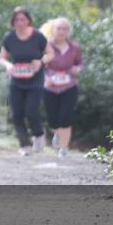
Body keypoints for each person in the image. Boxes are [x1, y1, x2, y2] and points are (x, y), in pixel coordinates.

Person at [0, 7, 52, 156]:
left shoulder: (38, 37)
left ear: (28, 20)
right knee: (16, 114)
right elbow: (1, 58)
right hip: (16, 81)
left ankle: (39, 135)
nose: (20, 22)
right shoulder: (9, 38)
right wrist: (8, 65)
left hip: (35, 81)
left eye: (23, 19)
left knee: (31, 111)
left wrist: (40, 62)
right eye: (16, 20)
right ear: (13, 22)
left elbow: (50, 54)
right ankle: (25, 145)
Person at [39, 17, 84, 158]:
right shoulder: (46, 46)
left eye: (65, 28)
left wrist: (78, 69)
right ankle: (57, 134)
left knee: (66, 117)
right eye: (59, 28)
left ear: (68, 31)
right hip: (50, 86)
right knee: (52, 119)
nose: (61, 31)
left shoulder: (74, 47)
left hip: (69, 86)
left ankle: (63, 149)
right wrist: (47, 78)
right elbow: (39, 65)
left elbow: (80, 63)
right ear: (53, 30)